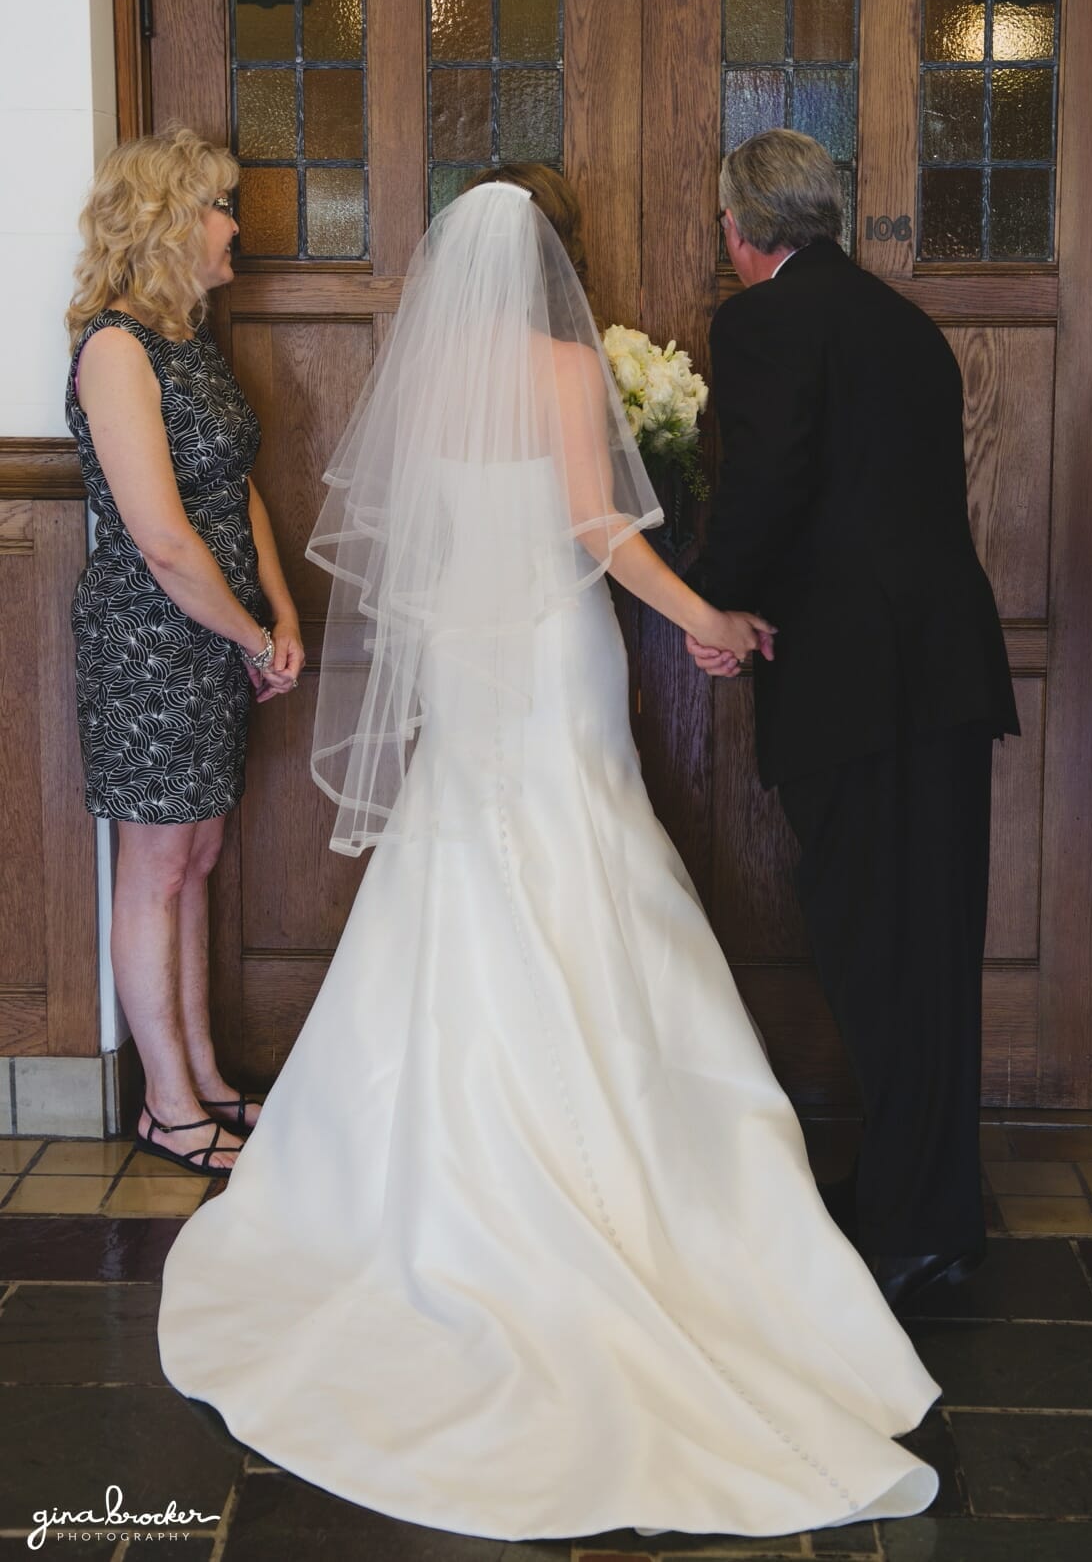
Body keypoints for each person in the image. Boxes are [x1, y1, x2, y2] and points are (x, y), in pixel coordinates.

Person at [156, 177, 940, 1541]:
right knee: (593, 861)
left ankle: (424, 1187)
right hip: (555, 658)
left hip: (469, 664)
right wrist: (707, 610)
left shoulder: (437, 372)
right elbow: (594, 529)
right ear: (557, 270)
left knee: (460, 869)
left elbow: (414, 544)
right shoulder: (572, 367)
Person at [687, 129, 1020, 1313]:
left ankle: (912, 1225)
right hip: (943, 674)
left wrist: (712, 599)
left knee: (874, 948)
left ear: (741, 230)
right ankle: (925, 1206)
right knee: (928, 949)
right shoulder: (906, 325)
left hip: (853, 685)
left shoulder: (761, 322)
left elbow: (767, 483)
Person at [65, 127, 304, 1176]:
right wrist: (249, 630)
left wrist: (281, 613)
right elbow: (161, 536)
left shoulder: (188, 340)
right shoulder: (114, 348)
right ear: (164, 222)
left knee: (198, 855)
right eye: (216, 205)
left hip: (215, 636)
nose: (233, 225)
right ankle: (165, 1106)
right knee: (157, 865)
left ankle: (203, 1073)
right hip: (148, 643)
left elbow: (236, 488)